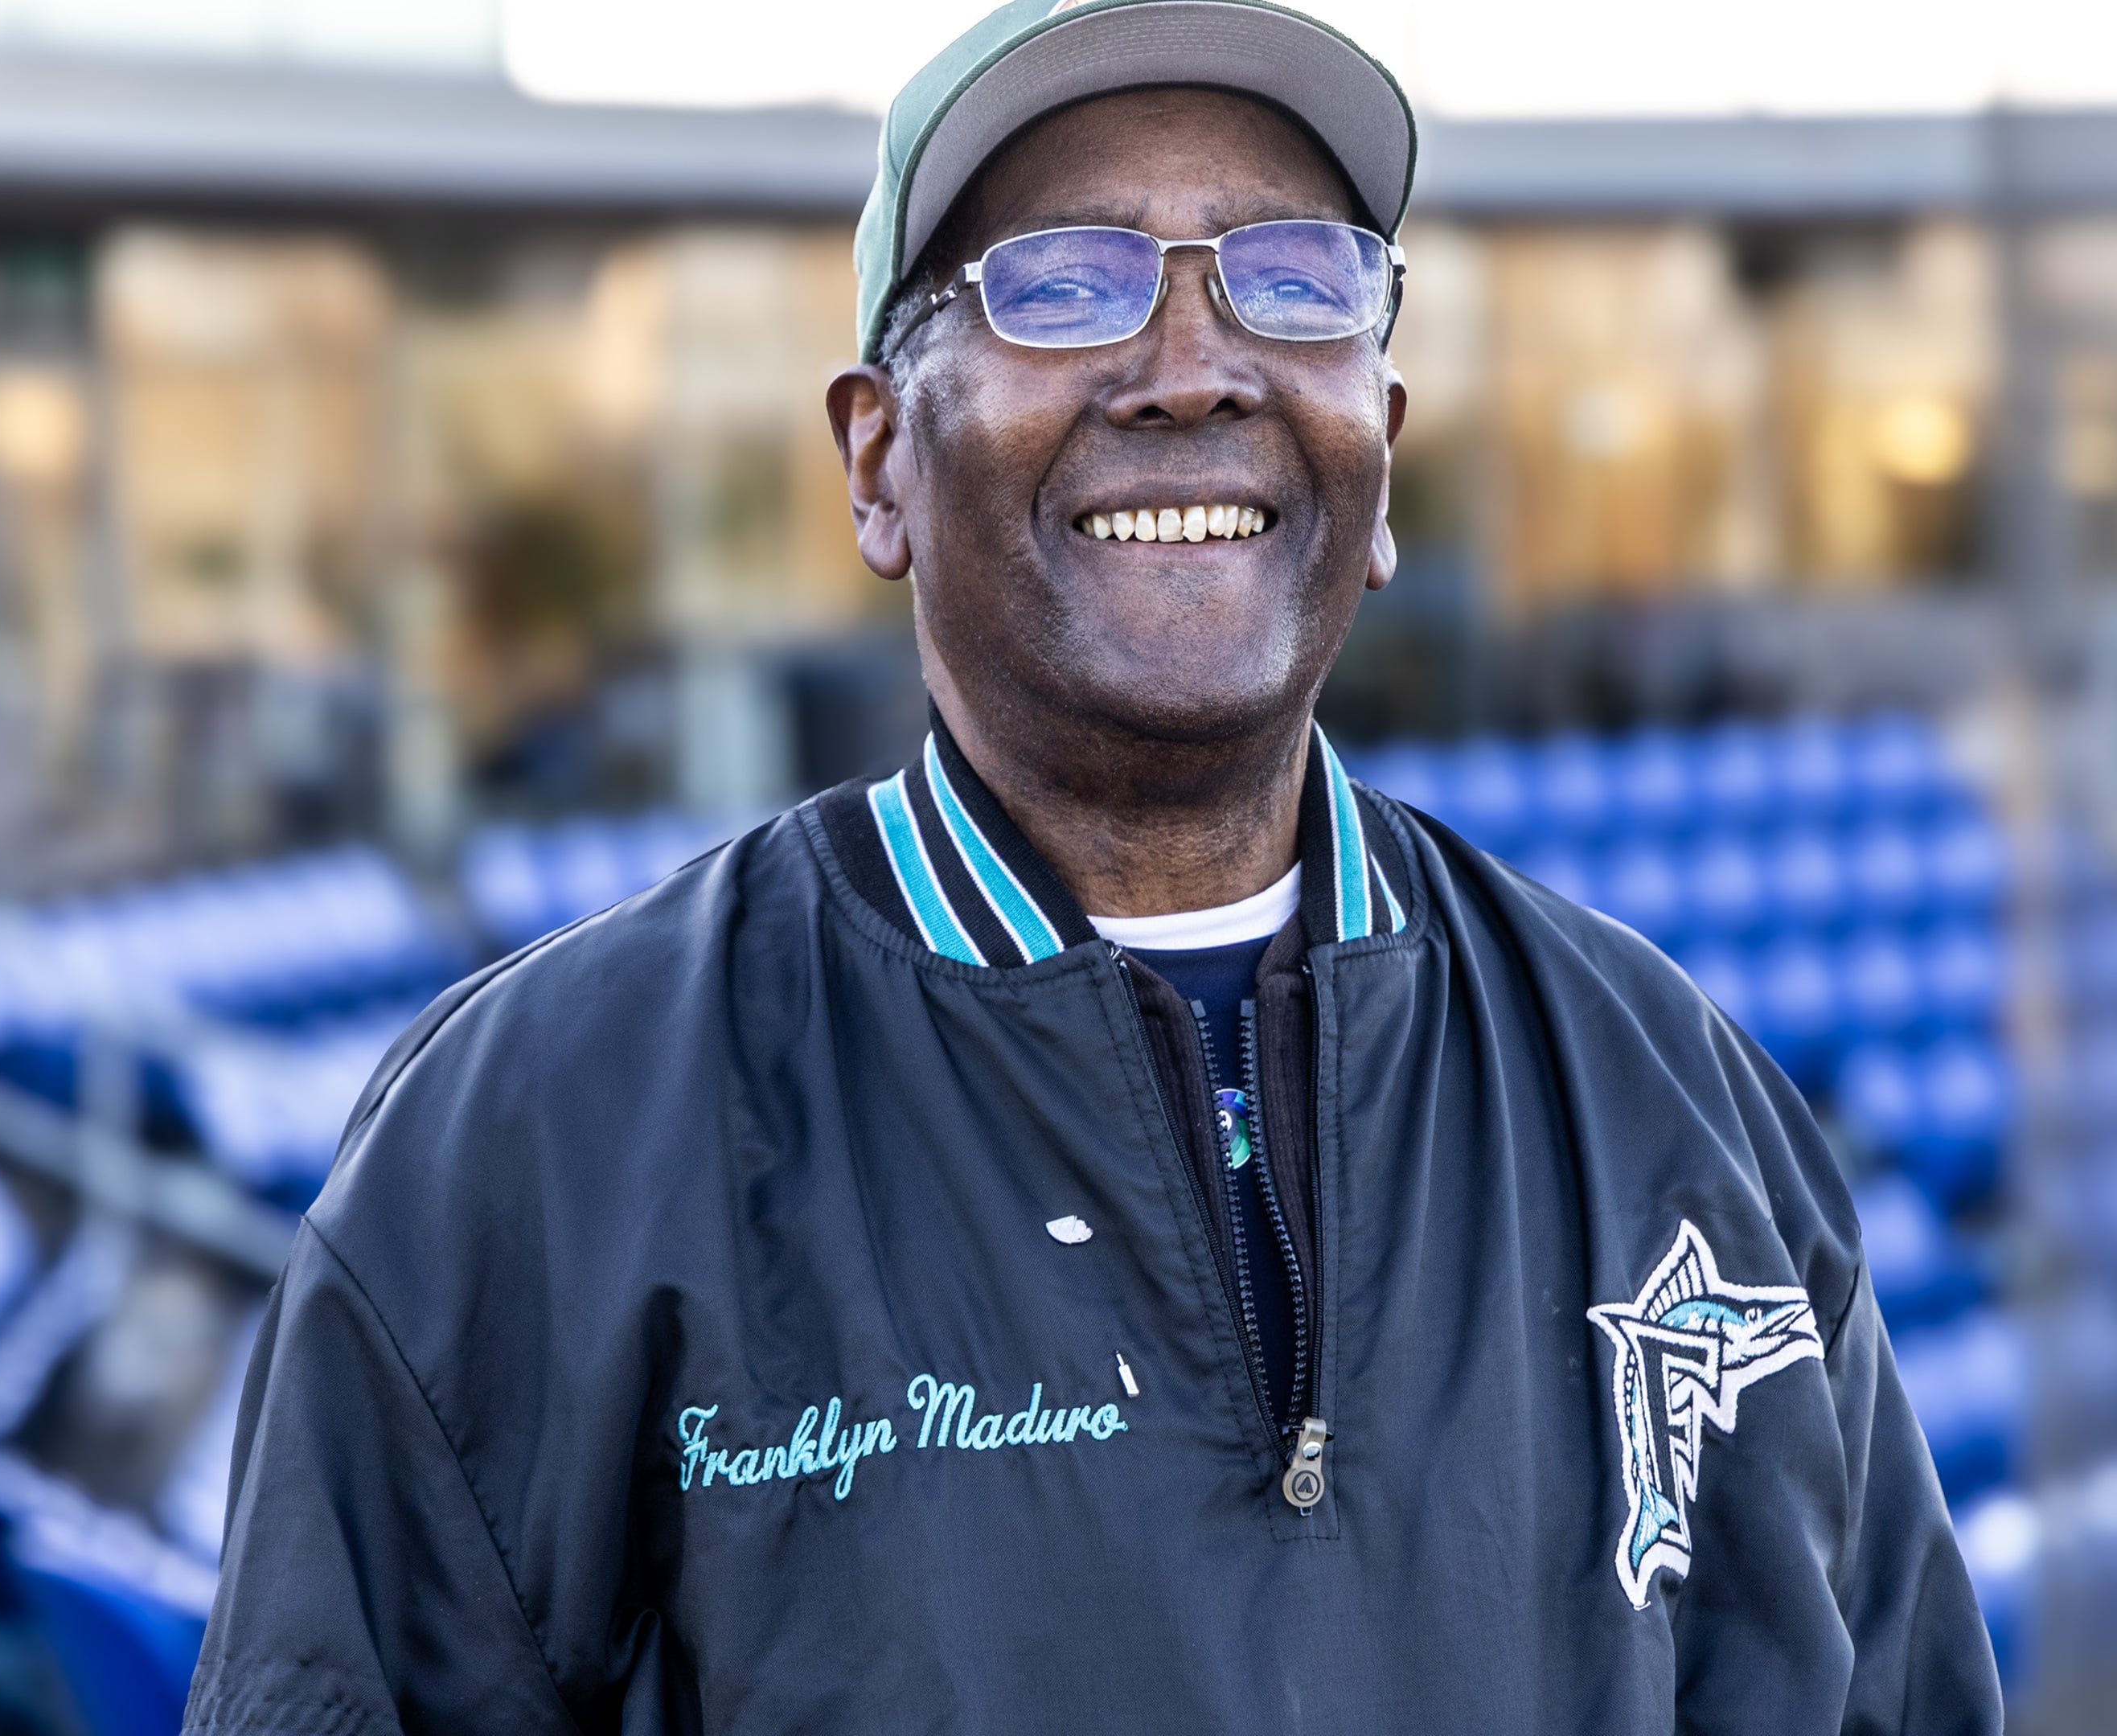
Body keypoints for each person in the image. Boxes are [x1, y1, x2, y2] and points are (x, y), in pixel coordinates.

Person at [185, 2, 2003, 1730]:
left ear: (1382, 443)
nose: (1194, 368)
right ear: (879, 460)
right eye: (1065, 282)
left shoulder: (1661, 1096)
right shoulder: (541, 1136)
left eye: (1294, 278)